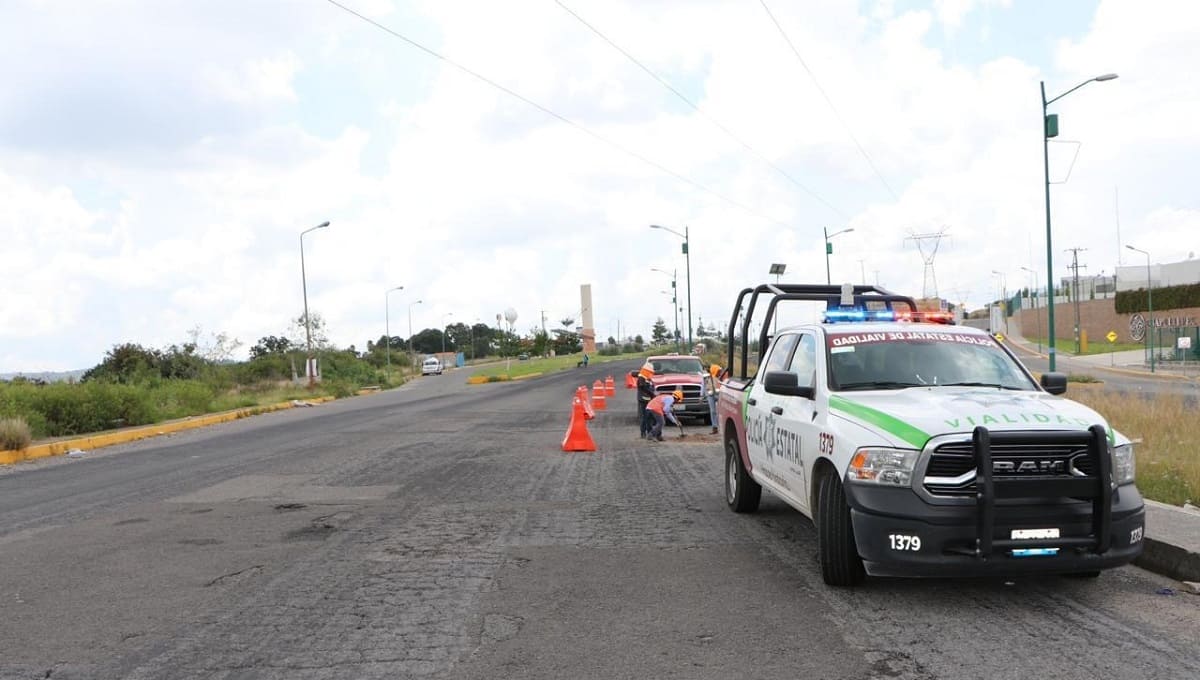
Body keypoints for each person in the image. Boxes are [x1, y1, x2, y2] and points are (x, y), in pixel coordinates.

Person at [636, 363, 657, 438]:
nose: (651, 374)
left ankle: (649, 432)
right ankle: (643, 433)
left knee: (649, 417)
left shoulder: (647, 379)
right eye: (650, 372)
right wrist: (652, 394)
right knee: (645, 417)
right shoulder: (641, 378)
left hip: (649, 400)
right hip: (644, 400)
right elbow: (643, 387)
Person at [703, 364, 722, 435]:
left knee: (719, 411)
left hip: (719, 394)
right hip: (711, 395)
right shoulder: (707, 377)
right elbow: (704, 386)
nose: (719, 372)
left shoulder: (720, 377)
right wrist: (703, 395)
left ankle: (720, 427)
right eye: (718, 371)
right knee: (713, 411)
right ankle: (715, 427)